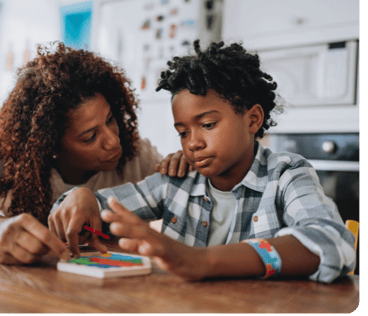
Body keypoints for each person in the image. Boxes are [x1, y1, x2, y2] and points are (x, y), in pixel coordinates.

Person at [51, 40, 356, 283]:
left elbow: (332, 242)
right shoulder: (176, 180)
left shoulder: (286, 175)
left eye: (208, 125)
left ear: (252, 119)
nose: (193, 142)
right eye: (183, 132)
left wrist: (199, 260)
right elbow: (89, 213)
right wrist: (81, 196)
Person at [0, 42, 188, 265]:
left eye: (111, 119)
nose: (113, 141)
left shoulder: (135, 154)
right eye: (90, 137)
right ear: (50, 147)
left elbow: (189, 189)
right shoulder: (12, 158)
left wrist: (187, 163)